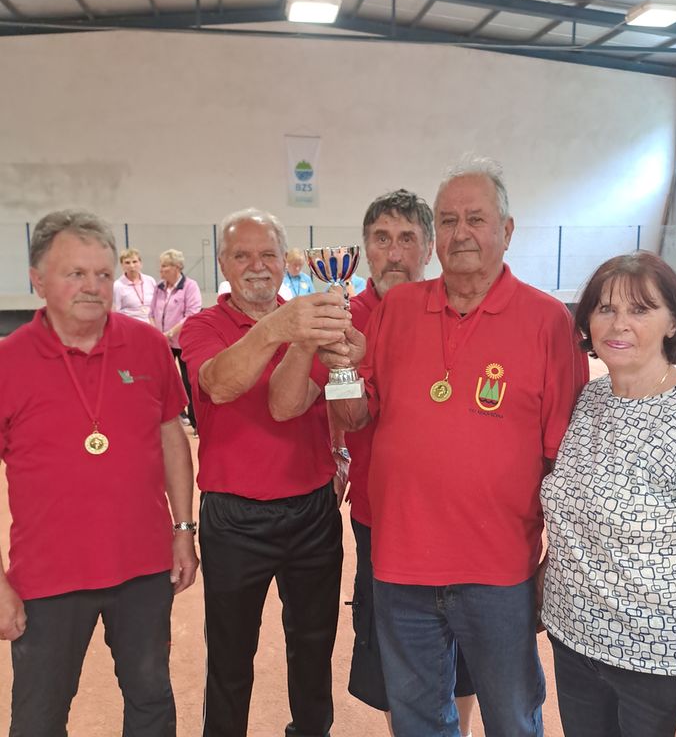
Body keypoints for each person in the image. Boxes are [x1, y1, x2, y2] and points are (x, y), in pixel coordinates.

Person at [271, 155, 588, 737]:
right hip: (401, 565)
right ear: (435, 235)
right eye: (448, 220)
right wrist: (341, 366)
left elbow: (566, 464)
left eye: (476, 219)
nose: (461, 233)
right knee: (418, 722)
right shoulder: (397, 309)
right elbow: (356, 415)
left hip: (499, 570)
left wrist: (557, 563)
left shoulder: (548, 322)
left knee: (512, 719)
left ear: (507, 230)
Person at [541, 251, 676, 737]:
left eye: (640, 309)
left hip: (672, 674)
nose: (619, 324)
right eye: (605, 308)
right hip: (579, 653)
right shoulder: (590, 400)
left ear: (673, 323)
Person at [0, 209, 198, 736]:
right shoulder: (7, 361)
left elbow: (171, 438)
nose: (93, 286)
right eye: (76, 273)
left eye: (103, 274)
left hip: (143, 569)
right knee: (39, 718)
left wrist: (183, 530)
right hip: (48, 578)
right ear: (37, 280)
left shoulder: (148, 345)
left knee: (152, 702)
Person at [179, 208, 351, 737]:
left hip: (312, 511)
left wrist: (339, 449)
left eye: (268, 254)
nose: (257, 265)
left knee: (314, 651)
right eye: (242, 255)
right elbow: (220, 384)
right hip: (235, 519)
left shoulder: (309, 323)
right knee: (230, 658)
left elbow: (297, 402)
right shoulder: (202, 326)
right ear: (223, 264)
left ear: (284, 260)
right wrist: (277, 328)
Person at [332, 189, 476, 737]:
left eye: (407, 239)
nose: (394, 253)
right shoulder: (344, 316)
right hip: (382, 517)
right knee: (396, 654)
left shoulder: (458, 310)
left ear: (430, 248)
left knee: (463, 651)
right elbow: (336, 406)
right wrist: (337, 447)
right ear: (365, 248)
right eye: (381, 239)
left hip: (459, 518)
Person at [150, 248, 202, 430]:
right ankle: (169, 416)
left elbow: (192, 314)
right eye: (161, 265)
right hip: (163, 342)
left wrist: (170, 333)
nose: (161, 270)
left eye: (165, 266)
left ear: (177, 267)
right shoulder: (159, 287)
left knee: (188, 382)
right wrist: (157, 333)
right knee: (162, 380)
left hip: (184, 342)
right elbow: (151, 312)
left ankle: (196, 422)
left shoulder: (190, 286)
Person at [113, 247, 156, 322]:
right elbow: (116, 312)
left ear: (140, 263)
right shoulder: (118, 285)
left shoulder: (150, 281)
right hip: (130, 324)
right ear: (122, 265)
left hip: (152, 324)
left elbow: (157, 306)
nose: (132, 266)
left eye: (135, 262)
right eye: (127, 263)